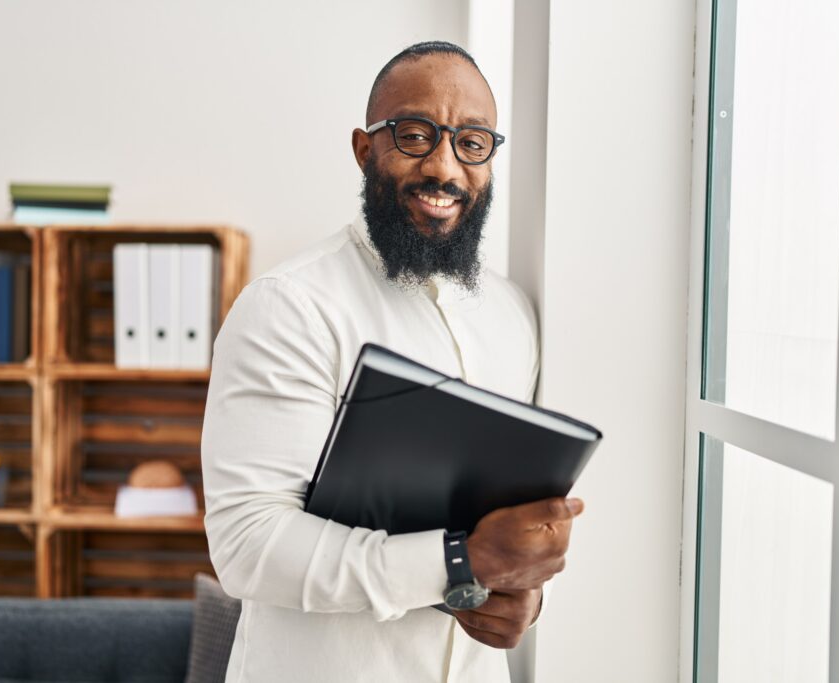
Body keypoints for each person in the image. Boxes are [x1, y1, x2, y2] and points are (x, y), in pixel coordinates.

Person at [201, 41, 584, 682]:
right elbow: (249, 546)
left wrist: (525, 596)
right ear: (364, 148)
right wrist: (459, 563)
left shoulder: (514, 316)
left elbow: (504, 515)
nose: (445, 167)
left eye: (472, 142)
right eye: (414, 136)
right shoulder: (288, 308)